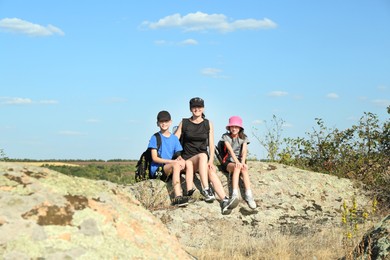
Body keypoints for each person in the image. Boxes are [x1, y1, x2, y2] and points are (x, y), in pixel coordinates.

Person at [175, 97, 238, 214]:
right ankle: (206, 189)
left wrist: (211, 162)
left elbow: (211, 144)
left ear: (203, 108)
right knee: (203, 156)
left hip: (202, 161)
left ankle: (224, 200)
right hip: (188, 159)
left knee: (211, 171)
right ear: (190, 109)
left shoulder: (208, 123)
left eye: (199, 107)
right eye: (194, 107)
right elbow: (174, 140)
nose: (196, 109)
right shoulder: (184, 122)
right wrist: (177, 155)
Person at [148, 110, 188, 207]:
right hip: (158, 169)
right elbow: (154, 158)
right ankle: (178, 197)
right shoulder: (155, 137)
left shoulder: (174, 138)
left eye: (166, 121)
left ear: (170, 122)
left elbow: (178, 154)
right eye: (161, 122)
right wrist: (172, 162)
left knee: (187, 163)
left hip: (169, 166)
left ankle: (189, 192)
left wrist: (180, 159)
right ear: (158, 123)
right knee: (175, 165)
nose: (164, 123)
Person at [220, 116, 257, 209]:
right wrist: (237, 162)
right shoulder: (226, 137)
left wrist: (243, 162)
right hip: (228, 161)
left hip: (240, 160)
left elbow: (244, 151)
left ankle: (249, 195)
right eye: (232, 126)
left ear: (240, 128)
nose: (234, 128)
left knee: (244, 169)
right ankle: (234, 194)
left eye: (236, 127)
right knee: (237, 167)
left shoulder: (244, 137)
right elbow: (230, 151)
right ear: (229, 127)